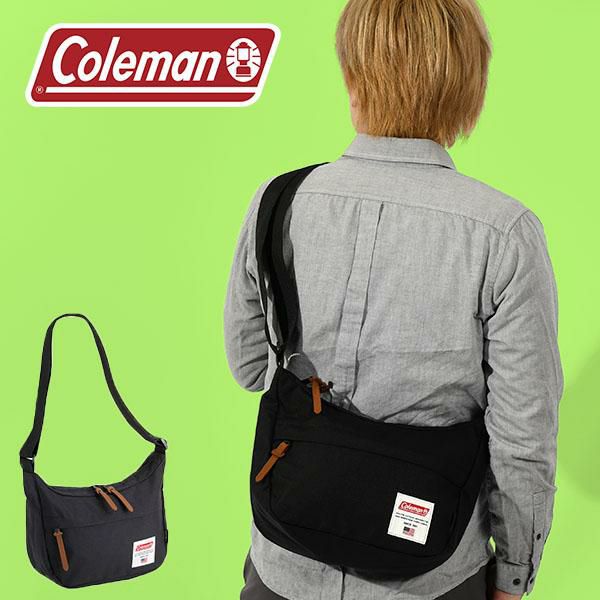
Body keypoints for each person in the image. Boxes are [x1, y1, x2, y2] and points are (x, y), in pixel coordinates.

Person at [224, 1, 563, 598]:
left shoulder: (279, 201)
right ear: (469, 87)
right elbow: (523, 440)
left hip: (285, 557)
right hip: (430, 571)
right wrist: (513, 574)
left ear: (352, 75)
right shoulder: (505, 234)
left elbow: (251, 368)